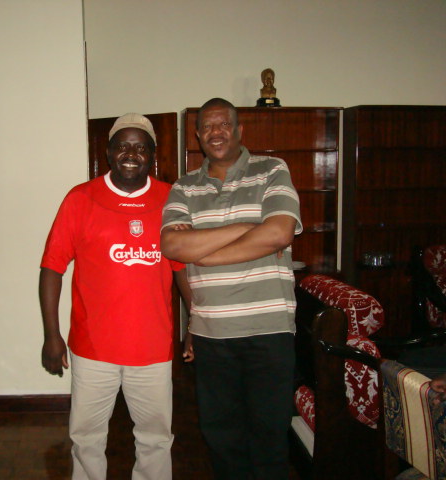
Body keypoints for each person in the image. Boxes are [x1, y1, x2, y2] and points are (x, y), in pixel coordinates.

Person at [39, 113, 188, 480]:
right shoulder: (80, 199)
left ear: (152, 155)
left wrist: (197, 322)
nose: (131, 154)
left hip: (152, 348)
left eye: (141, 147)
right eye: (123, 146)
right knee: (86, 438)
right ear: (108, 152)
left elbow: (183, 268)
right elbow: (52, 268)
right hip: (93, 348)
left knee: (156, 438)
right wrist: (52, 335)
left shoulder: (172, 199)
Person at [161, 98, 301, 479]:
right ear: (198, 136)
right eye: (207, 126)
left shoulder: (272, 170)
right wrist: (246, 229)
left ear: (239, 130)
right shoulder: (184, 187)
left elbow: (279, 232)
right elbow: (173, 245)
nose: (216, 132)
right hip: (212, 335)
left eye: (224, 124)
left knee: (269, 437)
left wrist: (205, 254)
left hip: (269, 332)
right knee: (221, 438)